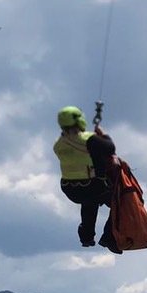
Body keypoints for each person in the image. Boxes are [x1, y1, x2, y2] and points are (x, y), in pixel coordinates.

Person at [53, 106, 117, 250]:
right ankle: (109, 237)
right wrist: (104, 135)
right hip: (92, 186)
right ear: (79, 120)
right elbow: (110, 148)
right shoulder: (89, 140)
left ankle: (86, 237)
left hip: (70, 189)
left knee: (89, 201)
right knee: (119, 202)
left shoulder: (58, 145)